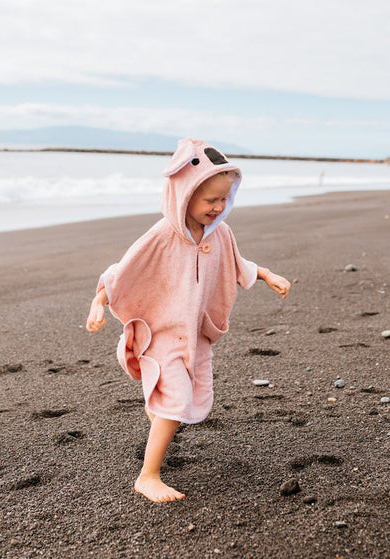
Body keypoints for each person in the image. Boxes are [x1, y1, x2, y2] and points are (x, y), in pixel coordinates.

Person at [86, 137, 290, 503]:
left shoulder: (220, 233)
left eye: (224, 199)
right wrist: (98, 303)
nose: (218, 207)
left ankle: (159, 422)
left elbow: (237, 263)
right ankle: (147, 476)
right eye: (209, 199)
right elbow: (124, 271)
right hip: (163, 332)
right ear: (184, 193)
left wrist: (267, 274)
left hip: (194, 335)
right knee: (176, 401)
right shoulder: (164, 234)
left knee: (176, 399)